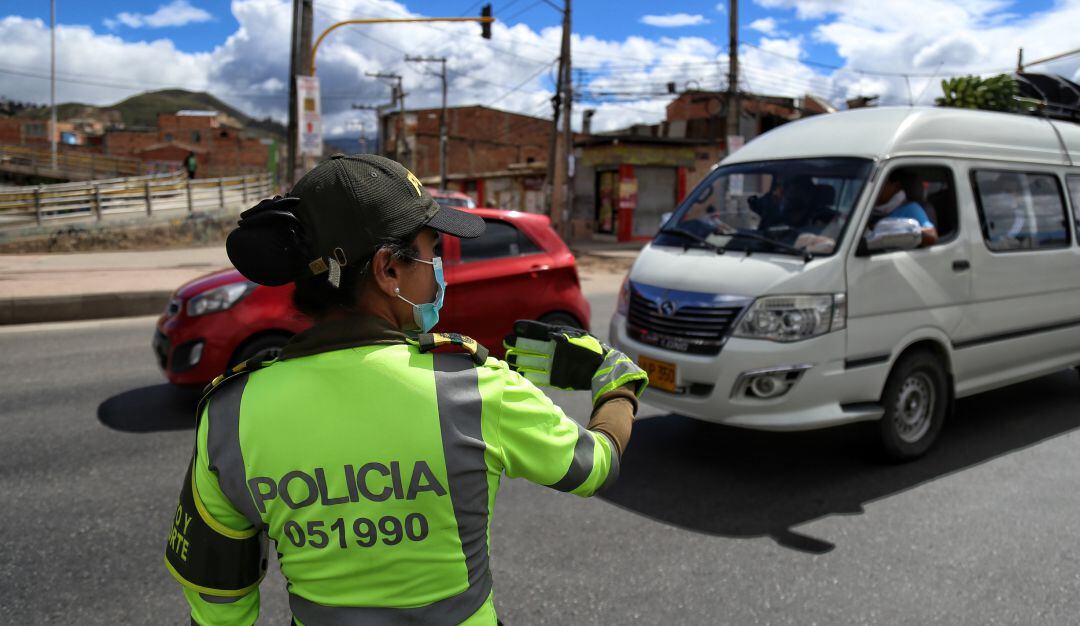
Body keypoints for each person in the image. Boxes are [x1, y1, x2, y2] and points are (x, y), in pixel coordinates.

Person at [163, 153, 648, 626]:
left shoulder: (230, 413)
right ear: (387, 269)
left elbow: (218, 601)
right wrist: (617, 382)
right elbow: (594, 466)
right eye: (431, 250)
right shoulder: (473, 386)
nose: (437, 268)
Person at [868, 169, 938, 247]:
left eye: (880, 184)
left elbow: (931, 235)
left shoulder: (910, 208)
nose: (873, 189)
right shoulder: (865, 209)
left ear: (896, 186)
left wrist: (899, 231)